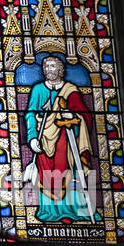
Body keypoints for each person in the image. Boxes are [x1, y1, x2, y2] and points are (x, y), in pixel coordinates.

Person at [24, 54, 97, 224]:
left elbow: (84, 116)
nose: (47, 69)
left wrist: (74, 116)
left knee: (68, 170)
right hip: (44, 139)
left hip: (66, 137)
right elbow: (30, 114)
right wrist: (32, 137)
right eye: (45, 67)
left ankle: (73, 209)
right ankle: (49, 211)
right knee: (47, 173)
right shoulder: (38, 90)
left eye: (51, 66)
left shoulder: (70, 90)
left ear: (61, 69)